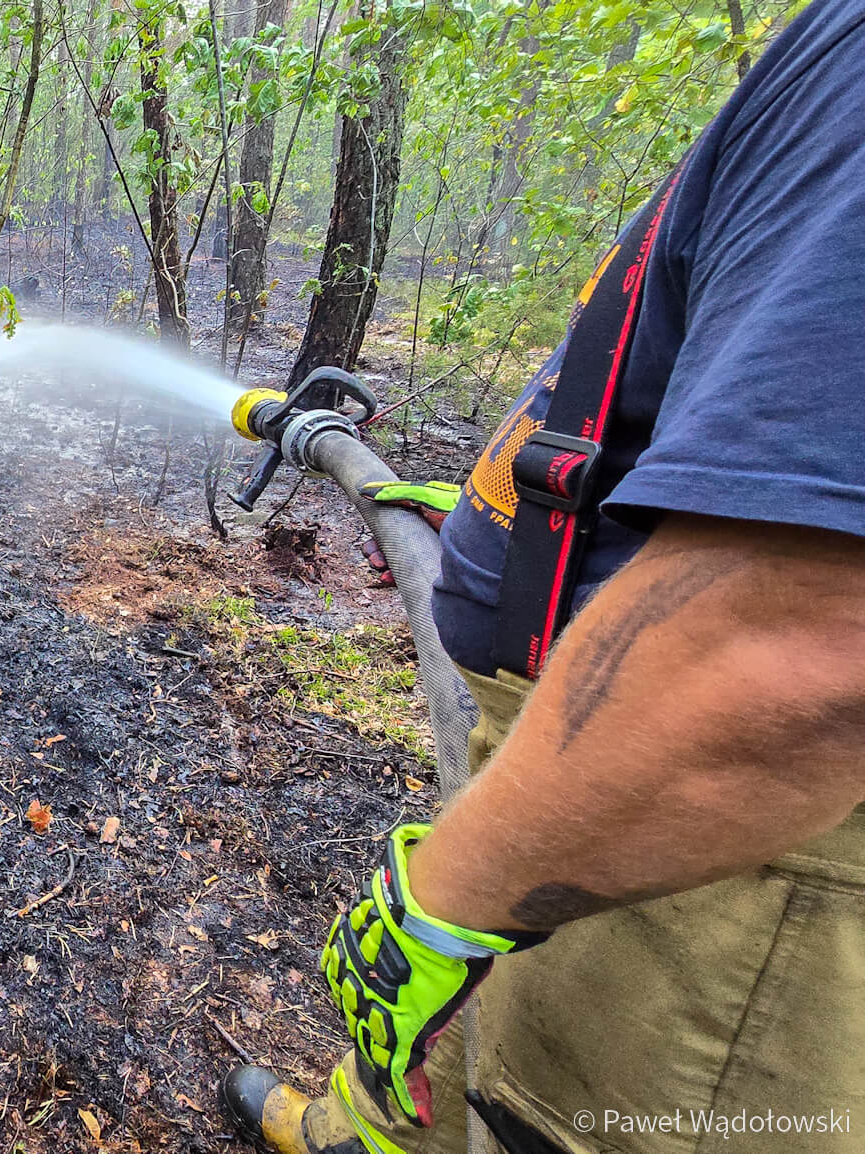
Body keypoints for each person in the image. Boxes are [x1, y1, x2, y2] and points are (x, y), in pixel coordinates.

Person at [220, 3, 865, 1152]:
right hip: (590, 768)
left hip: (698, 844)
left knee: (548, 1105)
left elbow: (803, 652)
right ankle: (357, 1131)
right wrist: (489, 515)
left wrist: (438, 907)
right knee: (456, 1043)